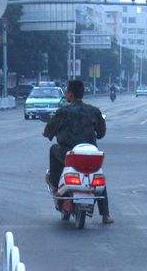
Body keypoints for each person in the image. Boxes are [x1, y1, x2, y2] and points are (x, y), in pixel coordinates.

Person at [43, 79, 112, 223]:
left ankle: (56, 184)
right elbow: (101, 133)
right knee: (97, 174)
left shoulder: (62, 112)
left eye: (67, 92)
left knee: (53, 149)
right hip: (90, 155)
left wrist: (51, 131)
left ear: (70, 94)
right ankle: (105, 214)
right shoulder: (94, 111)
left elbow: (49, 132)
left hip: (69, 155)